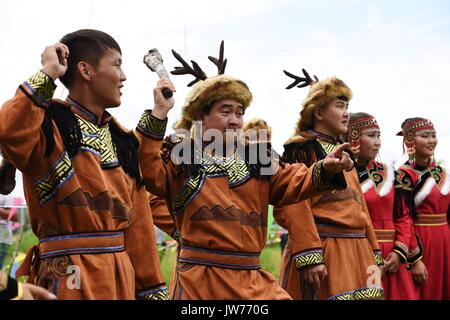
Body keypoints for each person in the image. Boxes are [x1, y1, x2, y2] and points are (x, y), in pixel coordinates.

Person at [136, 43, 353, 299]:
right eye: (225, 111)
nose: (235, 120)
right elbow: (147, 171)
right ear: (201, 117)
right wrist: (160, 112)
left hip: (251, 280)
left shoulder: (256, 156)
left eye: (240, 113)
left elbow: (290, 179)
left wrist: (323, 168)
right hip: (201, 282)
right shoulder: (182, 156)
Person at [0, 29, 167, 299]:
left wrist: (151, 291)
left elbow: (139, 228)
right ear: (86, 71)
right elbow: (9, 133)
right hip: (68, 278)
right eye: (116, 65)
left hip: (119, 277)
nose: (123, 76)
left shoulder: (122, 141)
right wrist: (48, 72)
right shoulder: (47, 124)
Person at [274, 70, 384, 300]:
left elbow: (359, 205)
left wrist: (374, 251)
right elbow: (292, 203)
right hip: (325, 248)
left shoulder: (345, 152)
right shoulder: (301, 148)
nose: (346, 114)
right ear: (319, 112)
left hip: (358, 250)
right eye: (339, 106)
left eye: (347, 107)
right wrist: (309, 253)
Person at [347, 112, 416, 299]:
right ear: (352, 137)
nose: (377, 142)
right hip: (356, 253)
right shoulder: (339, 175)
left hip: (391, 256)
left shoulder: (391, 174)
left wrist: (399, 253)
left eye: (379, 136)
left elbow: (403, 216)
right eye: (371, 135)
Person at [395, 117, 450, 299]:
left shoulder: (442, 172)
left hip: (445, 239)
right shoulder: (404, 175)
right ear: (410, 140)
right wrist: (415, 259)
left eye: (433, 136)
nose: (431, 140)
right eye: (425, 136)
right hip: (422, 241)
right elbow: (403, 218)